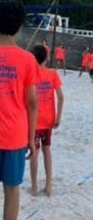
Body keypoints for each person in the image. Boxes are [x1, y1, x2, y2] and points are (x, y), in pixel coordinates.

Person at [0, 2, 38, 220]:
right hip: (16, 133)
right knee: (12, 189)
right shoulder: (29, 59)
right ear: (20, 27)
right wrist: (31, 138)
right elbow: (32, 102)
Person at [29, 45, 64, 197]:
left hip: (34, 122)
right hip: (49, 120)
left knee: (34, 154)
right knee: (47, 150)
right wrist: (58, 117)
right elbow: (61, 97)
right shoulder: (52, 74)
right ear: (46, 58)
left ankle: (35, 186)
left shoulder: (30, 75)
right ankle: (49, 184)